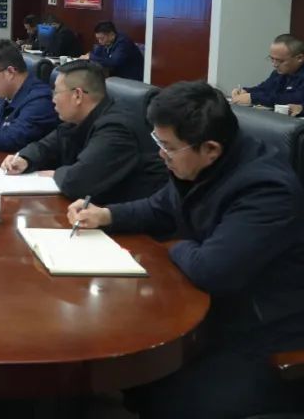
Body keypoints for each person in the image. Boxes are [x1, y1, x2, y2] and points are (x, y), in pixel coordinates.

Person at [68, 82, 304, 419]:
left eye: (167, 146)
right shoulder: (204, 164)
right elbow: (161, 207)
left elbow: (211, 270)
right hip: (212, 315)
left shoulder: (267, 190)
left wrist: (178, 246)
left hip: (264, 336)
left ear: (210, 149)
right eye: (158, 142)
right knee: (128, 372)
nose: (160, 154)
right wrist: (106, 215)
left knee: (160, 394)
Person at [1, 60, 168, 204]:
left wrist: (55, 174)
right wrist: (25, 158)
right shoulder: (77, 120)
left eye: (56, 92)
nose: (53, 99)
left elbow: (78, 182)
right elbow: (46, 145)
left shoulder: (116, 128)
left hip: (134, 223)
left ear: (78, 95)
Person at [231, 33, 304, 114]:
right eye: (272, 59)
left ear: (299, 58)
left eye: (280, 61)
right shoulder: (278, 73)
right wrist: (245, 91)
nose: (274, 65)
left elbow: (293, 98)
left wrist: (253, 97)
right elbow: (264, 89)